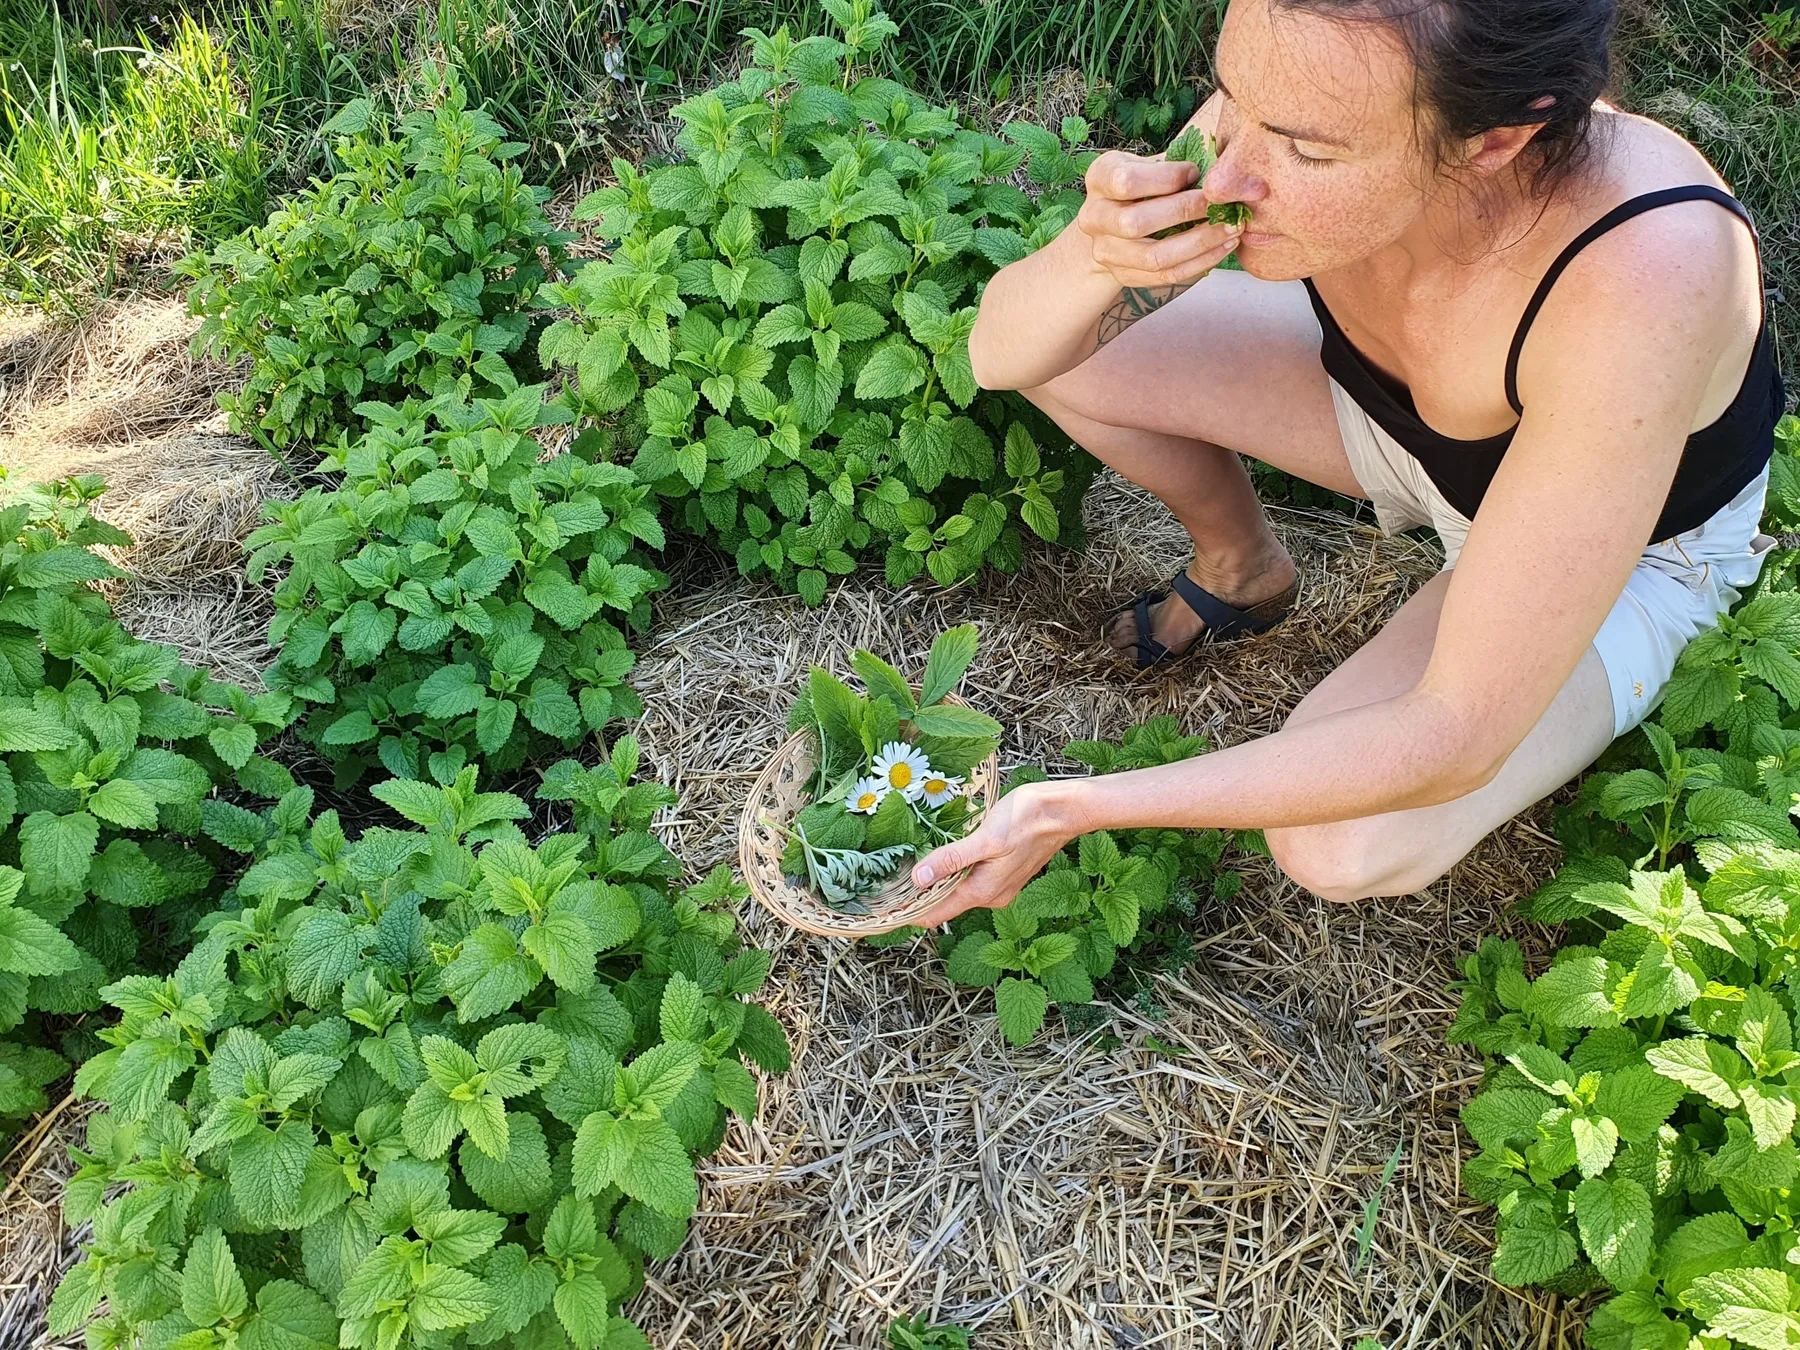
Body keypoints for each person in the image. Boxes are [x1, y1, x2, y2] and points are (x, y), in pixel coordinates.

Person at [906, 0, 1785, 918]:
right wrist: (1095, 259)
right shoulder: (1299, 95)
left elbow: (1455, 733)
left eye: (1308, 152)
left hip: (1631, 548)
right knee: (1075, 348)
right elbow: (1000, 356)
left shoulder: (1647, 271)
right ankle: (1242, 567)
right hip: (1397, 426)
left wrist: (1077, 806)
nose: (1234, 171)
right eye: (1233, 95)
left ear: (1493, 142)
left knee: (1340, 843)